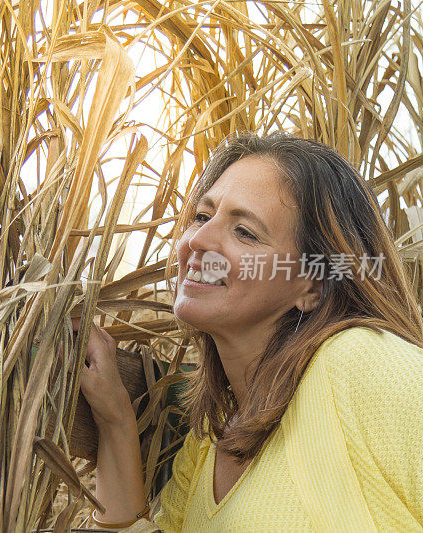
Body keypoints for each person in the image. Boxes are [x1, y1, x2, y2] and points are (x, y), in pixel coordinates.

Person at [79, 131, 423, 531]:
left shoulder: (364, 365)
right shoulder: (209, 443)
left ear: (311, 284)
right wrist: (115, 421)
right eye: (203, 217)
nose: (198, 239)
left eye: (244, 231)